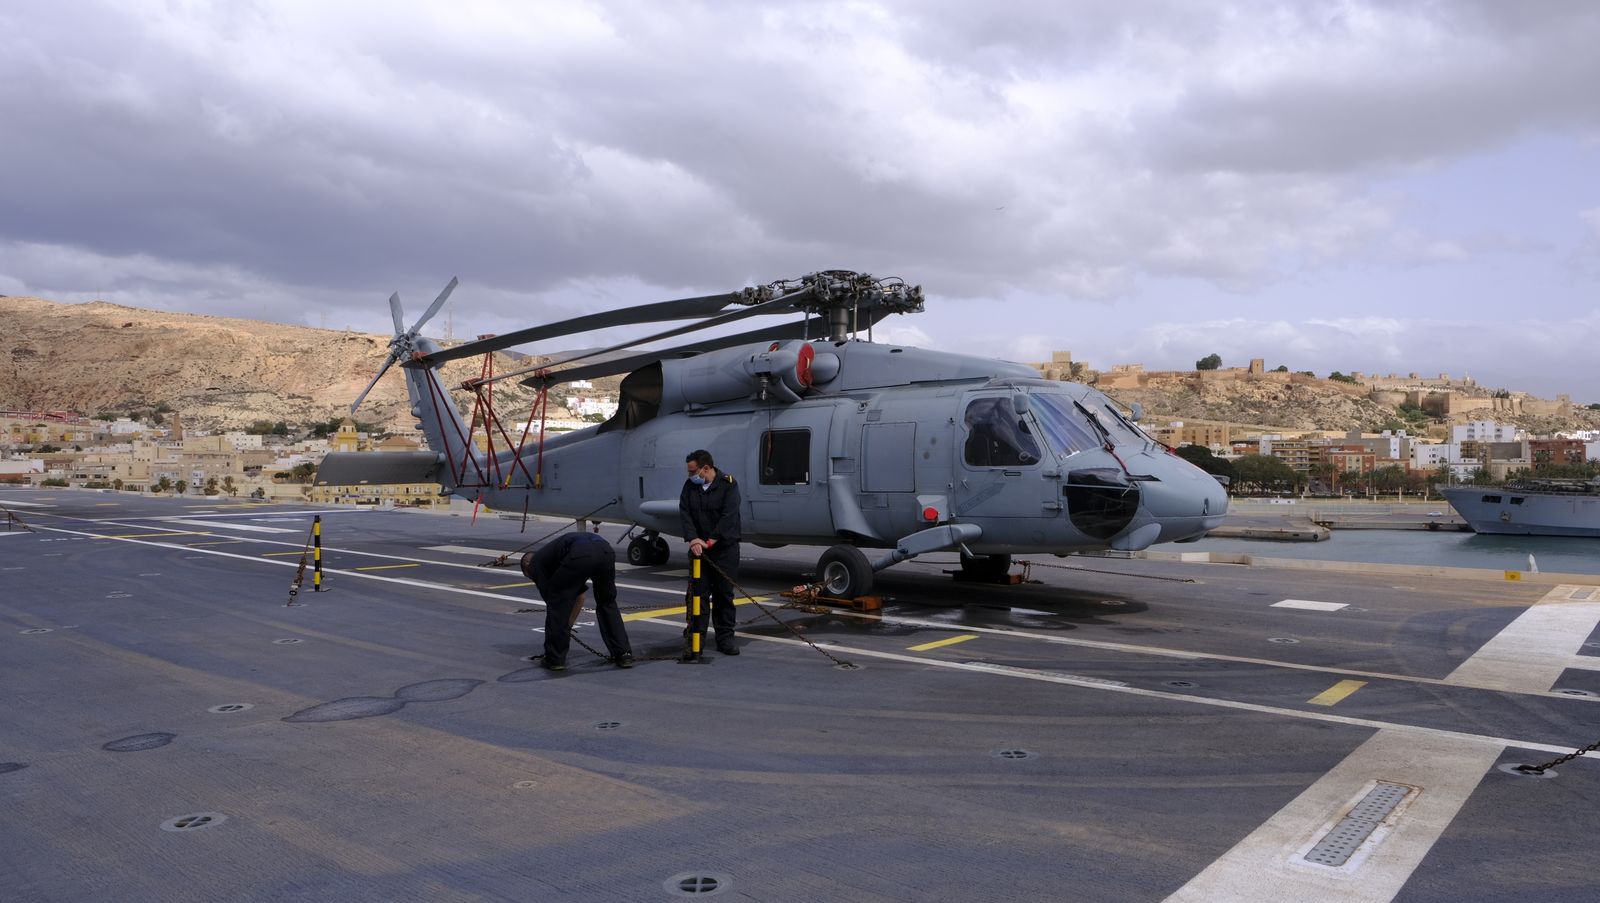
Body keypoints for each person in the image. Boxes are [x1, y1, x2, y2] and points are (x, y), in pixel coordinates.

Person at [520, 531, 633, 670]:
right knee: (607, 602)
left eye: (529, 576)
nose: (533, 578)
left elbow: (555, 605)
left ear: (527, 566)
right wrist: (569, 625)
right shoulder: (555, 558)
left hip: (580, 553)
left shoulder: (535, 564)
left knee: (557, 603)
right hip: (605, 550)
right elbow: (580, 597)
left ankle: (555, 659)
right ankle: (623, 654)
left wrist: (563, 628)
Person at [678, 449, 742, 656]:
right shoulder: (690, 487)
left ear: (706, 468)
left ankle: (725, 639)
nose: (690, 476)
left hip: (724, 549)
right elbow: (685, 512)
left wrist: (711, 540)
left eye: (693, 471)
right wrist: (693, 539)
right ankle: (696, 641)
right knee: (698, 596)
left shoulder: (729, 484)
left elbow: (729, 516)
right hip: (699, 549)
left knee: (724, 595)